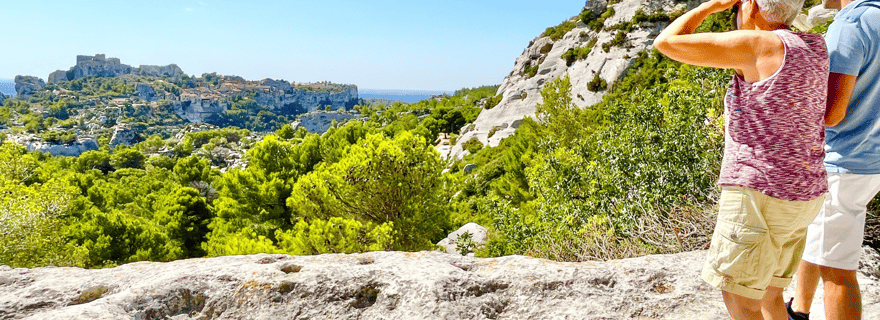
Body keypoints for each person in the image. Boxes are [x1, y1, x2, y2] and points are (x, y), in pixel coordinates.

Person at [653, 0, 830, 318]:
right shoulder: (815, 45)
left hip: (760, 195)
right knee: (770, 296)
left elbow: (666, 41)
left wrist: (711, 7)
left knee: (741, 300)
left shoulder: (758, 43)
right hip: (804, 194)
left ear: (753, 6)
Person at [787, 0, 880, 319]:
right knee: (820, 237)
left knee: (837, 273)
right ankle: (799, 310)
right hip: (871, 158)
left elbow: (830, 113)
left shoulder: (852, 24)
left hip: (843, 161)